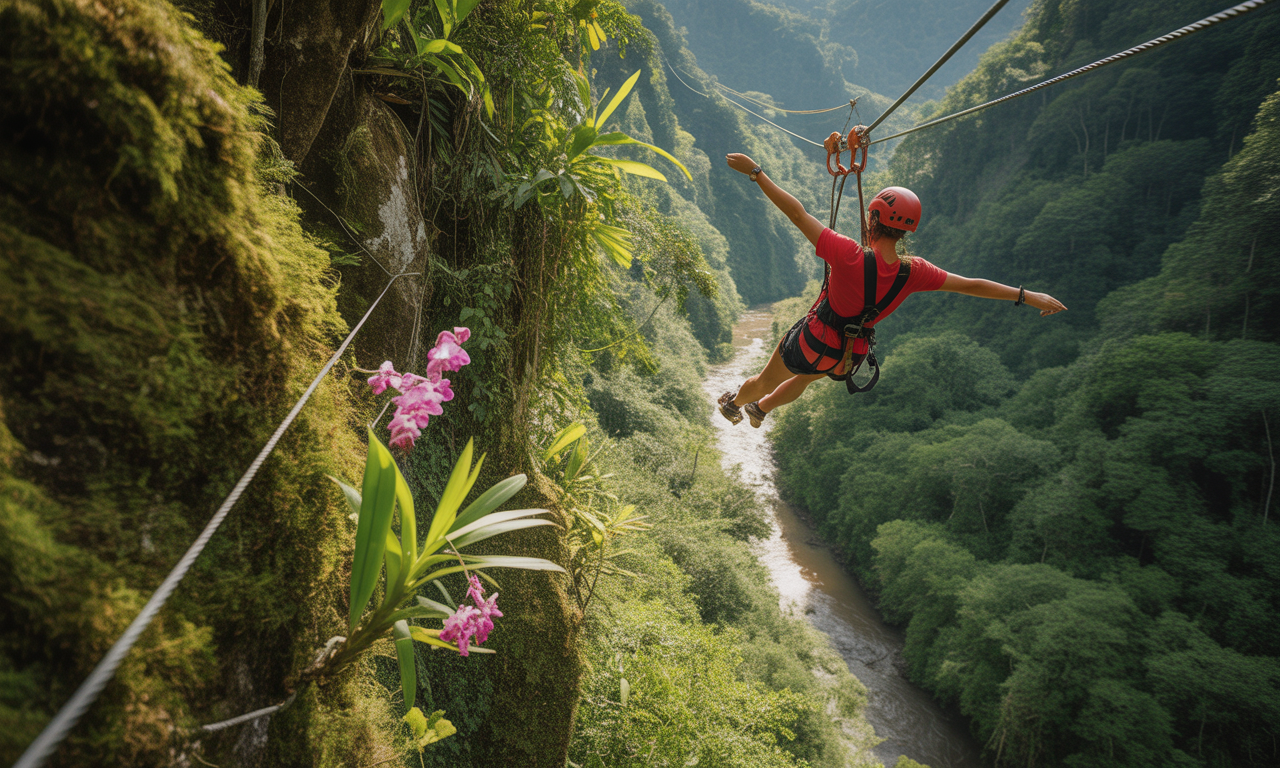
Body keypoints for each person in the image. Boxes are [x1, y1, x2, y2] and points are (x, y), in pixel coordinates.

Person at [718, 131, 1068, 428]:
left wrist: (756, 172)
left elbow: (797, 213)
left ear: (872, 220)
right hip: (845, 355)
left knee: (765, 380)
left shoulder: (847, 254)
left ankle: (736, 403)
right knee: (807, 379)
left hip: (813, 339)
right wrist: (1027, 295)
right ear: (906, 231)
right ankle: (761, 410)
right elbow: (971, 284)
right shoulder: (914, 271)